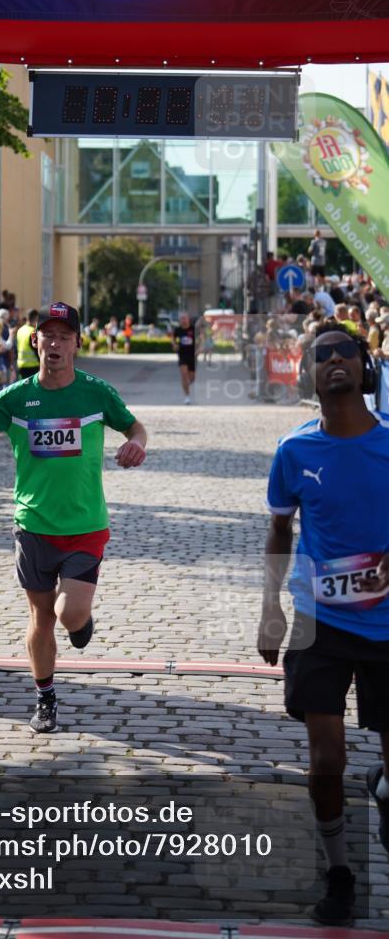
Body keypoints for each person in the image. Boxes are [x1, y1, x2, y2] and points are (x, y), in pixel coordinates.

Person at [0, 301, 148, 734]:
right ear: (35, 342)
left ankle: (81, 621)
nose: (55, 344)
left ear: (77, 344)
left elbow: (135, 427)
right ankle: (45, 698)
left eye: (64, 337)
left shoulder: (96, 392)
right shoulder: (17, 398)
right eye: (48, 336)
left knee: (70, 615)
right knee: (41, 618)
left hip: (85, 525)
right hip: (33, 526)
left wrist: (137, 443)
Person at [258, 319, 389, 927]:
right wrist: (270, 607)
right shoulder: (294, 451)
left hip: (388, 626)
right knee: (326, 760)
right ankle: (339, 873)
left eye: (344, 351)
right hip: (320, 620)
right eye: (320, 355)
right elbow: (279, 530)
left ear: (366, 367)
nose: (333, 360)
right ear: (307, 377)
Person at [173, 312, 197, 404]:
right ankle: (187, 396)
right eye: (182, 319)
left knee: (192, 378)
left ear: (188, 319)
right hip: (182, 355)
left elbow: (201, 339)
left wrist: (199, 349)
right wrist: (174, 345)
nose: (183, 320)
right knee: (184, 375)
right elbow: (173, 339)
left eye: (185, 318)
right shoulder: (177, 330)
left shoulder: (193, 329)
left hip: (193, 355)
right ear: (180, 320)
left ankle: (187, 384)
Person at [16, 308, 40, 379]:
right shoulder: (33, 332)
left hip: (21, 364)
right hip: (32, 366)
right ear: (36, 318)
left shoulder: (20, 330)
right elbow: (36, 349)